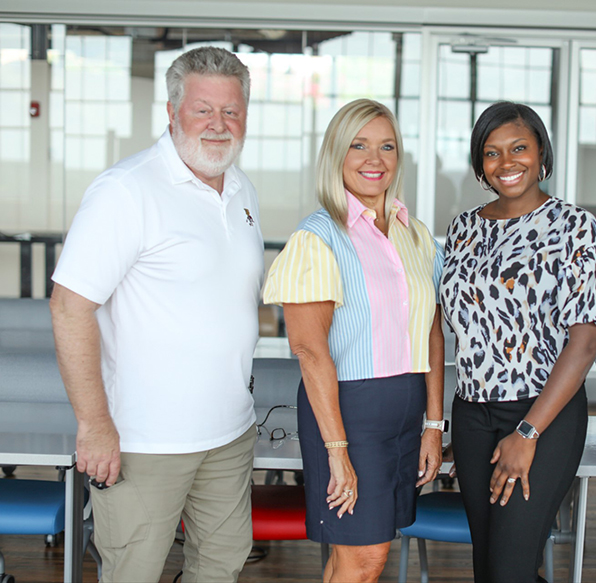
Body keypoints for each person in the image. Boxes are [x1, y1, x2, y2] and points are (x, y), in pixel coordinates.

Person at [49, 47, 262, 582]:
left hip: (229, 434)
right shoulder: (127, 190)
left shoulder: (241, 188)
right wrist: (95, 426)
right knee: (133, 573)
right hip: (144, 442)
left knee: (220, 565)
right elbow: (70, 307)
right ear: (172, 112)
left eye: (231, 111)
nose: (219, 124)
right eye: (203, 109)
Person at [262, 99, 445, 583]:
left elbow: (430, 330)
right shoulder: (319, 237)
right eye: (359, 145)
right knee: (362, 559)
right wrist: (336, 450)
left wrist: (433, 423)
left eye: (387, 146)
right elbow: (308, 350)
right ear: (336, 155)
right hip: (349, 413)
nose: (375, 158)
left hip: (407, 405)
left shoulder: (415, 234)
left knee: (368, 555)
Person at [441, 101, 596, 583]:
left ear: (542, 152)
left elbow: (584, 343)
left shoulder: (575, 227)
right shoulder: (462, 230)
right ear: (480, 164)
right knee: (490, 564)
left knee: (510, 567)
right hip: (472, 414)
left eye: (519, 147)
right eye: (492, 152)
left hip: (542, 414)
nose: (507, 162)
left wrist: (526, 433)